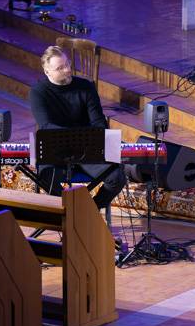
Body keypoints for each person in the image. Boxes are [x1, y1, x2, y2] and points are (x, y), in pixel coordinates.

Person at [29, 45, 126, 210]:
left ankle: (89, 212)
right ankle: (68, 211)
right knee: (44, 175)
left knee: (117, 177)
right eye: (60, 68)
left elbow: (98, 122)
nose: (67, 70)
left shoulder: (85, 87)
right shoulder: (39, 92)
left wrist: (92, 139)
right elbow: (46, 125)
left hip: (86, 151)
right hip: (57, 152)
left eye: (67, 64)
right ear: (47, 72)